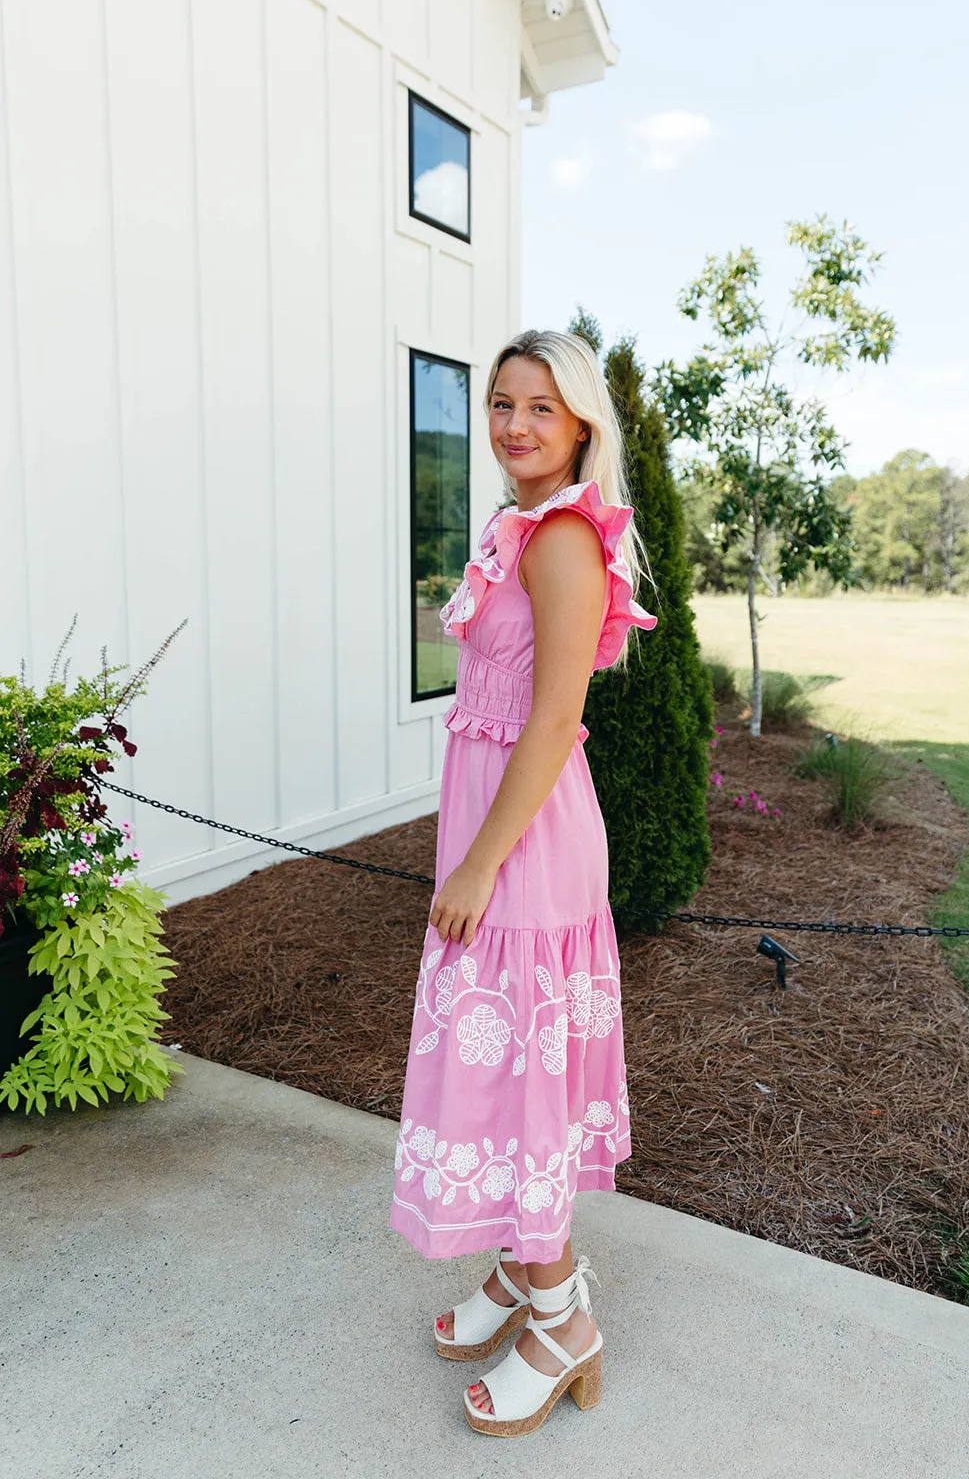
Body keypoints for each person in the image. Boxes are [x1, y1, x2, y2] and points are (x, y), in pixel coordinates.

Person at [388, 328, 658, 1437]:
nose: (512, 425)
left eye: (540, 406)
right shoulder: (521, 527)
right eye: (501, 403)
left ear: (581, 422)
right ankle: (520, 1268)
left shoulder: (560, 540)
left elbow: (553, 721)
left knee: (521, 1078)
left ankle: (562, 1318)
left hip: (529, 844)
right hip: (503, 821)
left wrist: (480, 861)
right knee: (496, 1067)